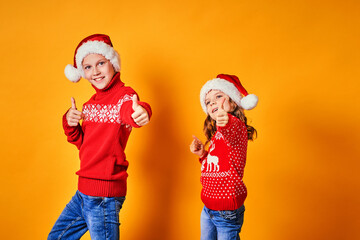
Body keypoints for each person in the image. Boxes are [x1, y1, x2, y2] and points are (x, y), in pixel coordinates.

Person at [48, 34, 152, 240]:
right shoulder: (89, 104)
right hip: (83, 192)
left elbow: (130, 110)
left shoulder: (124, 96)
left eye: (101, 63)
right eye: (88, 67)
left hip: (104, 194)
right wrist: (69, 122)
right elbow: (83, 143)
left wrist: (142, 112)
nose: (95, 71)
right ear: (82, 72)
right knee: (57, 237)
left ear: (112, 63)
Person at [190, 74, 258, 240]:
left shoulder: (235, 127)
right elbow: (219, 163)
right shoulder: (217, 135)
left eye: (218, 96)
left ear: (233, 101)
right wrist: (203, 154)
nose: (212, 102)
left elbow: (230, 126)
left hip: (226, 211)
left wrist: (225, 120)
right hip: (208, 207)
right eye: (208, 101)